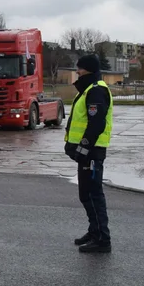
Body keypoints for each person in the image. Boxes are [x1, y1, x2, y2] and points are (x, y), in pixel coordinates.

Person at [64, 54, 113, 253]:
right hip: (86, 153)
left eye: (80, 68)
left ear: (89, 70)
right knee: (85, 194)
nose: (77, 71)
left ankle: (102, 239)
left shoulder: (96, 90)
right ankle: (94, 231)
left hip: (92, 152)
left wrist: (83, 148)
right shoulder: (87, 90)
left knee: (93, 194)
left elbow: (96, 124)